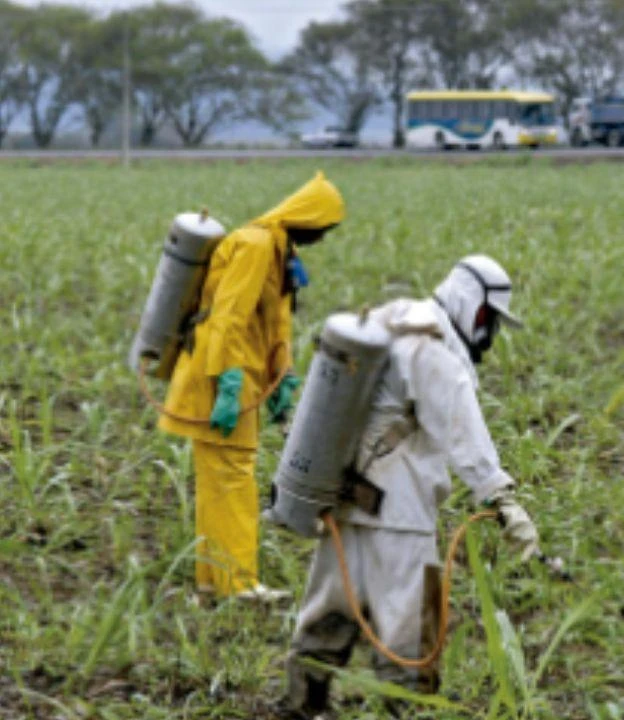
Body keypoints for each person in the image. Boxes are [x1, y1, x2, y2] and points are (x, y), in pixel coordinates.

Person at [279, 255, 541, 719]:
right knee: (410, 627)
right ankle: (408, 710)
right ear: (473, 306)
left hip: (343, 500)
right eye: (489, 322)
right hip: (400, 511)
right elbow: (464, 432)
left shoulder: (392, 318)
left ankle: (303, 706)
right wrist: (502, 500)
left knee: (329, 609)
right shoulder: (434, 351)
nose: (489, 335)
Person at [160, 172, 344, 601]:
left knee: (218, 480)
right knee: (234, 477)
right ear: (308, 218)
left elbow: (274, 323)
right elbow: (228, 317)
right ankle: (239, 583)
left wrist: (283, 375)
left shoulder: (279, 250)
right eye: (324, 227)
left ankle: (212, 582)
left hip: (236, 375)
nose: (323, 236)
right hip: (222, 375)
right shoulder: (256, 245)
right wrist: (227, 383)